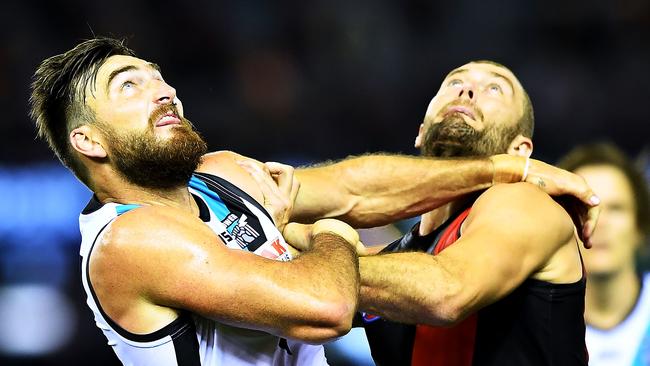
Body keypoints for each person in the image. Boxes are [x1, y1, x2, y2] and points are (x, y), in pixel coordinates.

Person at [29, 38, 598, 366]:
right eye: (130, 86)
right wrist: (331, 237)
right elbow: (325, 302)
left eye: (158, 77)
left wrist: (507, 169)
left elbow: (355, 189)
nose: (164, 89)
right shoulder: (130, 240)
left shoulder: (220, 174)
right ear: (89, 141)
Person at [341, 60, 591, 365]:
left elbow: (445, 293)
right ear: (420, 132)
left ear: (520, 150)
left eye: (495, 88)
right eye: (453, 83)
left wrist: (332, 256)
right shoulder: (394, 259)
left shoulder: (526, 204)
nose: (467, 90)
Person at [558, 143, 650, 366]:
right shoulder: (535, 325)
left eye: (617, 208)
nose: (600, 222)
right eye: (583, 209)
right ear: (559, 225)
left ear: (639, 226)